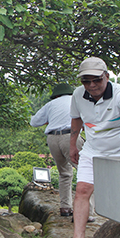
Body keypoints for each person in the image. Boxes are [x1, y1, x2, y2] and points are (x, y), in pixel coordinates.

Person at [56, 57, 120, 238]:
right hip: (93, 148)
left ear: (106, 77)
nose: (92, 85)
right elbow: (76, 120)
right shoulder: (78, 95)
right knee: (82, 190)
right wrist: (73, 145)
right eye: (86, 81)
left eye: (97, 80)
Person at [30, 83, 84, 217]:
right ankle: (86, 211)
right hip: (70, 136)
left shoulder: (50, 105)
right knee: (86, 171)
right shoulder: (77, 100)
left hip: (53, 139)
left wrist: (49, 120)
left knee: (64, 173)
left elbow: (34, 122)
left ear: (56, 95)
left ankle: (65, 207)